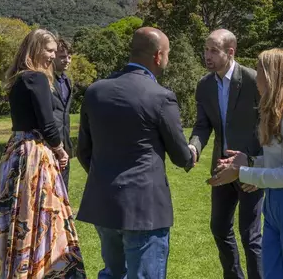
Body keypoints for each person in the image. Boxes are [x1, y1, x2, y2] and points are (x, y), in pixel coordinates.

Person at [77, 27, 196, 279]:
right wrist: (192, 151)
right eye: (168, 54)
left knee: (112, 274)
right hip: (144, 208)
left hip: (104, 202)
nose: (168, 59)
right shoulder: (160, 97)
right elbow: (180, 156)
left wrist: (107, 177)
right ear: (158, 56)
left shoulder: (95, 91)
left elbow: (83, 150)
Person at [209, 48, 283, 279]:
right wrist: (251, 161)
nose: (257, 77)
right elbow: (277, 160)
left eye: (261, 70)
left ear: (274, 75)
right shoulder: (279, 111)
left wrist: (242, 173)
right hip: (275, 204)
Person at [0, 28, 86, 278]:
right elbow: (47, 123)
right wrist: (60, 150)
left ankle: (15, 267)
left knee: (16, 211)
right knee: (40, 212)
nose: (53, 56)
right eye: (49, 50)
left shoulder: (18, 78)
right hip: (34, 153)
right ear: (36, 49)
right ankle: (42, 269)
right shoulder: (37, 78)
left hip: (15, 151)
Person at [188, 29, 264, 279]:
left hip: (249, 169)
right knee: (219, 228)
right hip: (221, 168)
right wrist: (194, 147)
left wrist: (257, 165)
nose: (207, 55)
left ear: (230, 52)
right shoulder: (204, 85)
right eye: (205, 49)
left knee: (250, 234)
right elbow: (202, 125)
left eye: (213, 50)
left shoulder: (254, 80)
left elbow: (269, 124)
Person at [52, 37, 74, 190]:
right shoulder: (45, 80)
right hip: (49, 142)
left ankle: (64, 214)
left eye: (69, 56)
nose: (67, 60)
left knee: (63, 185)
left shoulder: (67, 81)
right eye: (62, 57)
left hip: (65, 142)